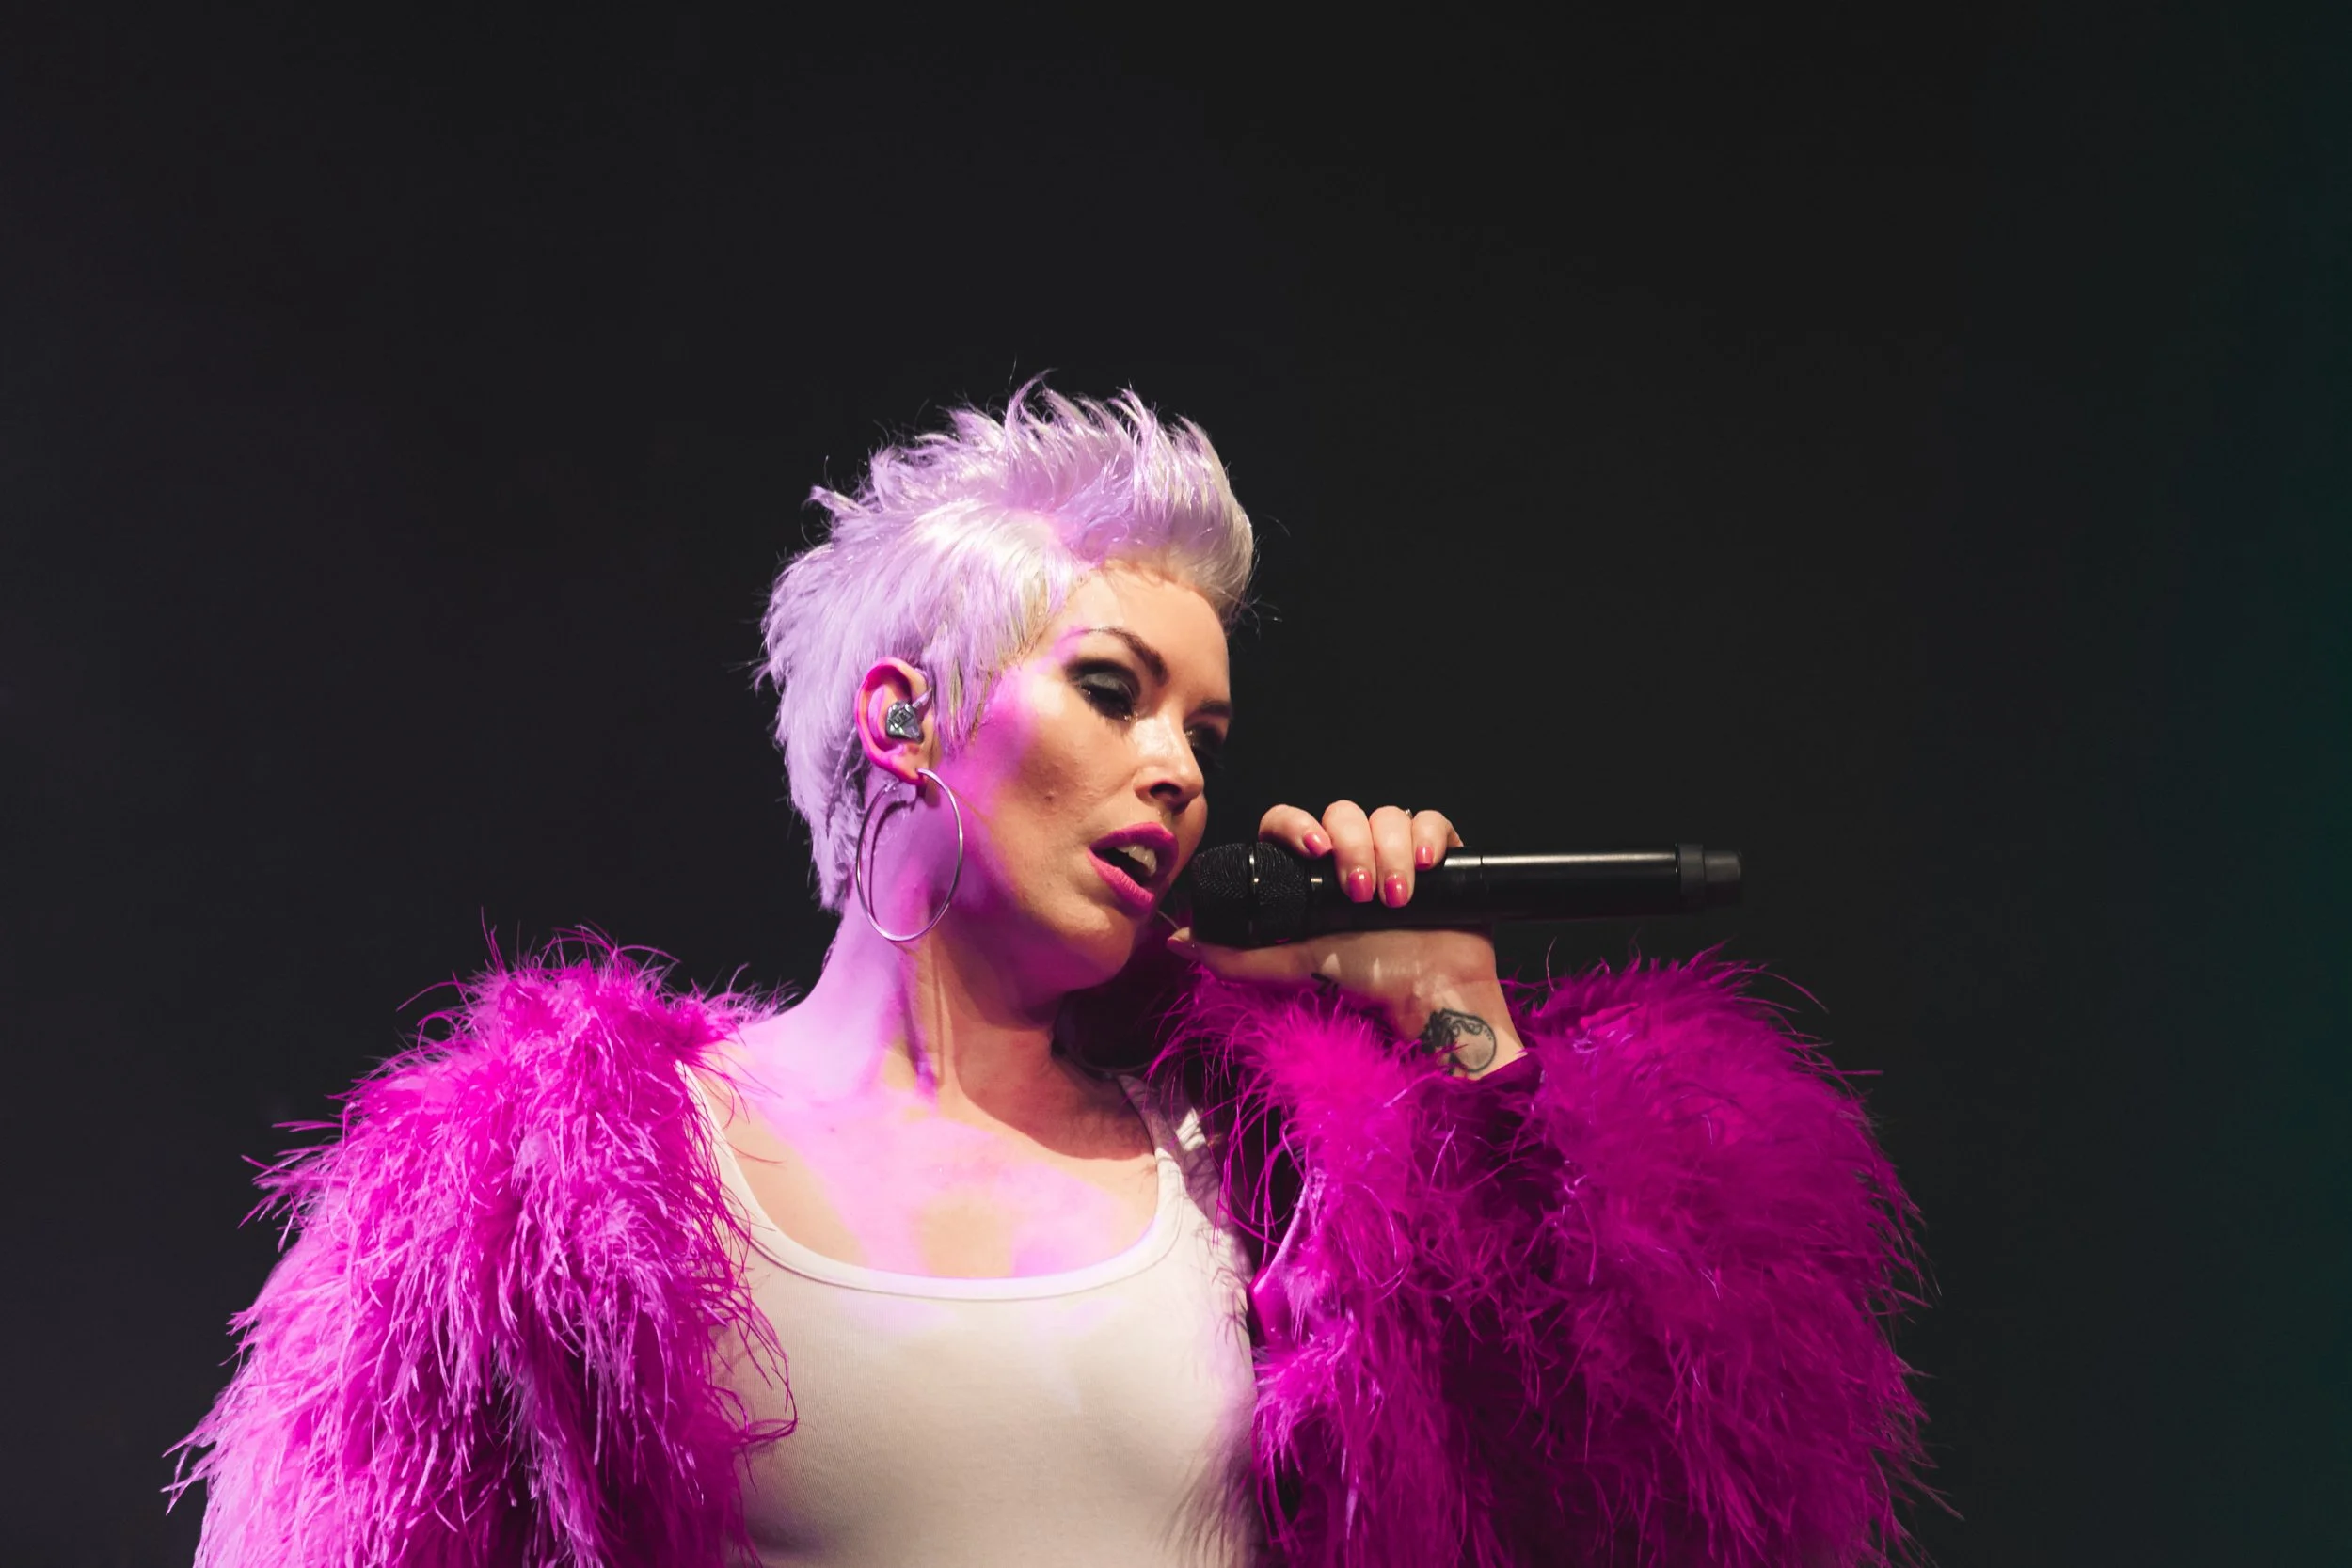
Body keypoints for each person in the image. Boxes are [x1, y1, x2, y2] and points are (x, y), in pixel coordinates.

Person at [176, 388, 1927, 1567]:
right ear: (909, 716)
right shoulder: (549, 1203)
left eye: (1207, 731)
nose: (1179, 769)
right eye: (1115, 690)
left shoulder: (1266, 1179)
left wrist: (1451, 1025)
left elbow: (1648, 1507)